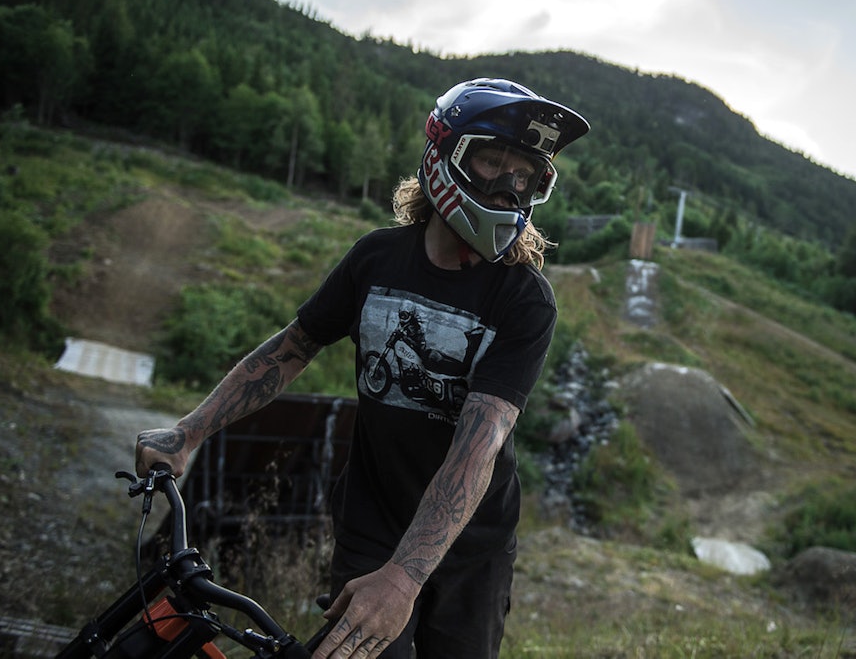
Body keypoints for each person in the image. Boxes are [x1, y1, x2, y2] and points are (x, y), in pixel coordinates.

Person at [134, 77, 590, 659]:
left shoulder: (526, 299)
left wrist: (406, 576)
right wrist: (188, 431)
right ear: (443, 157)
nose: (509, 184)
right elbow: (292, 347)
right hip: (371, 527)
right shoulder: (376, 258)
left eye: (525, 173)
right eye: (492, 160)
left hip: (474, 547)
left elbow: (480, 442)